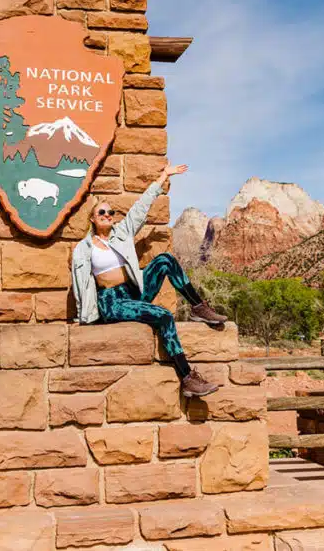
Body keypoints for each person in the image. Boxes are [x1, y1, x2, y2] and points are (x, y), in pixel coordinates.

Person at [71, 162, 228, 397]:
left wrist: (163, 176)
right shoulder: (83, 249)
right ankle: (187, 377)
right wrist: (85, 317)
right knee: (163, 315)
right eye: (101, 213)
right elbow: (79, 284)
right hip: (112, 301)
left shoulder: (121, 232)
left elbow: (140, 208)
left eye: (110, 212)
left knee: (165, 260)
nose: (107, 216)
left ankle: (198, 307)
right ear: (92, 219)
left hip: (133, 291)